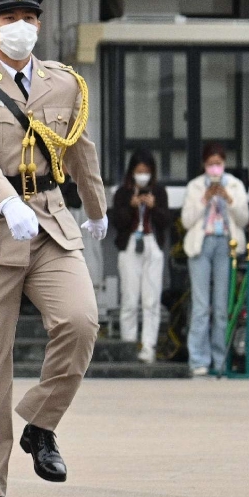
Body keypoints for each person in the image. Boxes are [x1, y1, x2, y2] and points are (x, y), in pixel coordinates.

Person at [0, 0, 107, 497]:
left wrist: (95, 209)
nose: (20, 28)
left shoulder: (64, 81)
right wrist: (5, 202)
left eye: (28, 19)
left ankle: (42, 424)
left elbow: (79, 149)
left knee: (80, 322)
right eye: (9, 20)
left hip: (51, 220)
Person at [178, 143, 249, 377]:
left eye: (218, 164)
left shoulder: (235, 185)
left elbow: (244, 218)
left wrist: (228, 199)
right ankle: (198, 359)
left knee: (221, 307)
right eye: (210, 164)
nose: (215, 168)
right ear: (204, 165)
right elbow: (187, 221)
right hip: (202, 244)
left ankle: (220, 360)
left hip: (226, 244)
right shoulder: (195, 186)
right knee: (201, 306)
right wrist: (204, 199)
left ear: (224, 164)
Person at [108, 151, 171, 362]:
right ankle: (128, 345)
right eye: (139, 171)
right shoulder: (122, 193)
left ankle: (148, 346)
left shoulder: (159, 192)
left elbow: (165, 222)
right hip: (129, 247)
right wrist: (131, 205)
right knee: (129, 298)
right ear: (132, 172)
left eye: (146, 172)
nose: (142, 175)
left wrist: (153, 207)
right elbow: (117, 222)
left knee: (151, 300)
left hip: (152, 244)